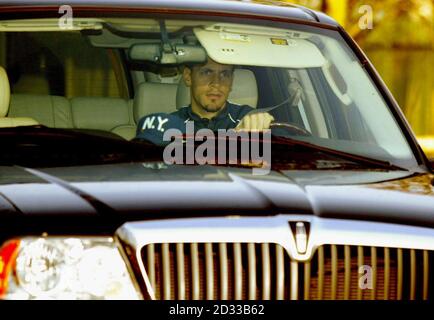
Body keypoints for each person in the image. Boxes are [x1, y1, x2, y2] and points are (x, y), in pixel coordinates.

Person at [173, 57, 274, 132]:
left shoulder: (249, 117)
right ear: (188, 77)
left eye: (225, 74)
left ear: (232, 81)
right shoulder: (169, 125)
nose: (217, 83)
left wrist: (264, 125)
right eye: (207, 72)